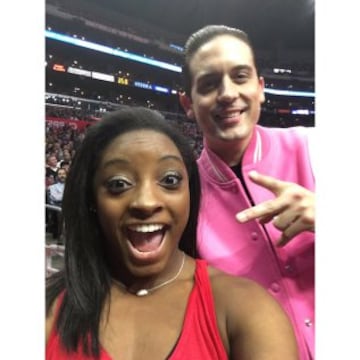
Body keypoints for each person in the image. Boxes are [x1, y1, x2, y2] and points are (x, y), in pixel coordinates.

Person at [46, 107, 298, 359]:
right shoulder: (49, 304)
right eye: (118, 184)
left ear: (190, 192)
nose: (146, 202)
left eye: (169, 180)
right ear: (91, 199)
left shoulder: (247, 310)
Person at [179, 25, 315, 359]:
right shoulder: (185, 196)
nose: (227, 93)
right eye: (209, 84)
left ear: (260, 88)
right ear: (188, 103)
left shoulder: (315, 147)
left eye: (240, 76)